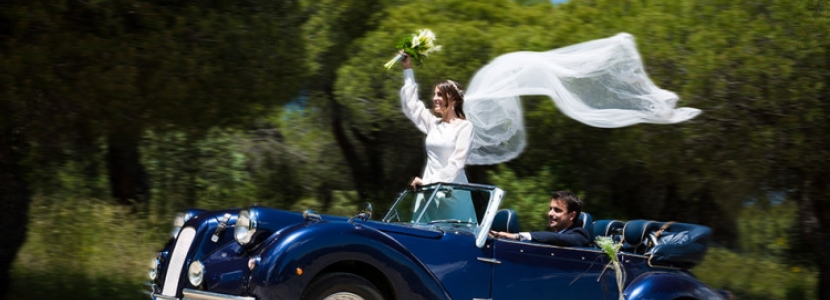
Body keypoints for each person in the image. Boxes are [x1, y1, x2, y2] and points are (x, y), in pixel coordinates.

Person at [399, 53, 473, 189]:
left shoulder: (465, 127)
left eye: (439, 94)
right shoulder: (434, 124)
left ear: (454, 100)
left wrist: (429, 181)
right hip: (428, 190)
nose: (434, 98)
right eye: (434, 94)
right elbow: (412, 105)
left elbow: (457, 163)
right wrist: (407, 68)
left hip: (453, 192)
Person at [490, 191, 590, 247]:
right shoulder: (555, 234)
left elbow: (558, 239)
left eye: (557, 210)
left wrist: (516, 236)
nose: (550, 213)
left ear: (571, 216)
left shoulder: (580, 235)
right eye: (550, 209)